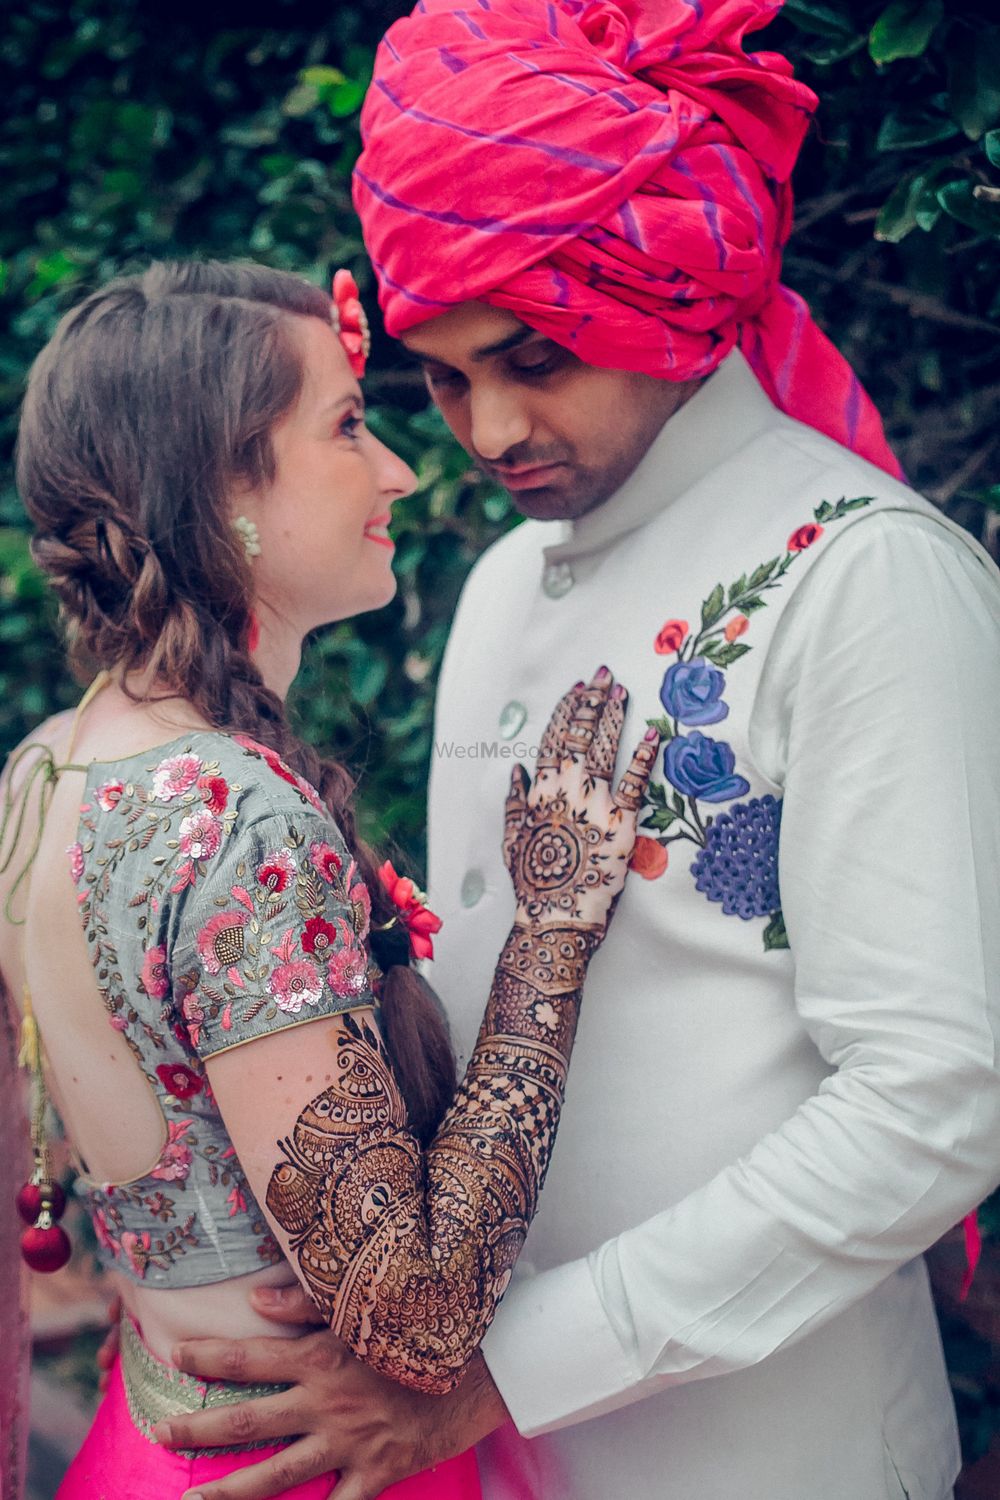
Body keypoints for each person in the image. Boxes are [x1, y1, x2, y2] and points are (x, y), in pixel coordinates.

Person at [152, 3, 1000, 1500]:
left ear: (662, 291)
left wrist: (504, 1372)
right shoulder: (494, 587)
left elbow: (937, 1101)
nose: (487, 429)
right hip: (498, 1460)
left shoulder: (863, 574)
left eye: (532, 357)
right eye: (442, 376)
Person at [0, 257, 658, 1500]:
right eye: (349, 427)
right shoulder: (231, 820)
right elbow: (413, 1319)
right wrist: (551, 934)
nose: (401, 471)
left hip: (145, 1447)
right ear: (218, 487)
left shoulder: (46, 767)